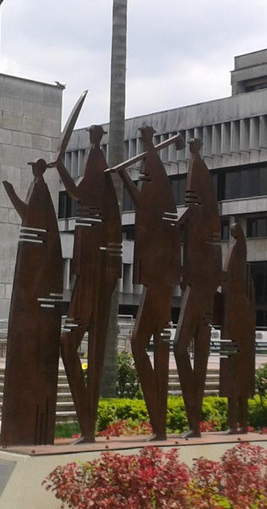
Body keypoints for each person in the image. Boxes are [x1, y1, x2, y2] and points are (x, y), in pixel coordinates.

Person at [53, 124, 122, 443]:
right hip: (88, 270)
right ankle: (87, 424)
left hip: (95, 272)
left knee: (77, 343)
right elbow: (77, 191)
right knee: (72, 343)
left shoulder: (99, 167)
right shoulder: (97, 171)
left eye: (94, 136)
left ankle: (88, 424)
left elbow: (78, 191)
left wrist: (62, 168)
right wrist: (61, 169)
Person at [115, 125, 180, 440]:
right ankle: (159, 419)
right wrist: (129, 173)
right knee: (145, 344)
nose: (142, 182)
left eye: (145, 179)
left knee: (150, 343)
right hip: (156, 282)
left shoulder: (160, 214)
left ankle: (160, 421)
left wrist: (146, 144)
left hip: (158, 283)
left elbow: (140, 194)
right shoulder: (153, 212)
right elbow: (137, 194)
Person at [0, 159, 63, 447]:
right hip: (33, 281)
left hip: (36, 287)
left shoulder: (40, 191)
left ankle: (32, 428)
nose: (34, 171)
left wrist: (11, 194)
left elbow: (31, 218)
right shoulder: (39, 189)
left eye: (35, 168)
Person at [173, 139, 222, 437]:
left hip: (200, 289)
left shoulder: (203, 224)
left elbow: (179, 226)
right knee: (193, 349)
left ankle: (194, 414)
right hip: (198, 285)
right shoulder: (199, 225)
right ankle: (195, 421)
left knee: (182, 347)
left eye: (192, 195)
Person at [219, 222, 256, 434]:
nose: (232, 232)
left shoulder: (237, 254)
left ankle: (239, 424)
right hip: (231, 326)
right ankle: (235, 423)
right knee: (233, 379)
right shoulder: (234, 252)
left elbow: (230, 278)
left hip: (236, 328)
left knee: (237, 378)